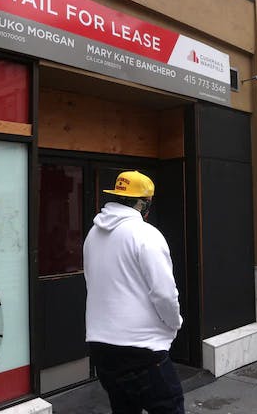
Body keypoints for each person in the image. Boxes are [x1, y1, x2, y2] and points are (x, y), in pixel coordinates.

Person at [83, 170, 184, 413]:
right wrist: (174, 324)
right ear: (143, 203)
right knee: (170, 407)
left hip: (102, 348)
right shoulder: (146, 235)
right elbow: (164, 294)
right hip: (142, 350)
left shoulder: (92, 235)